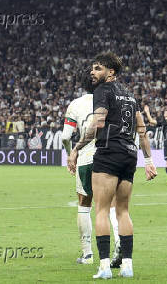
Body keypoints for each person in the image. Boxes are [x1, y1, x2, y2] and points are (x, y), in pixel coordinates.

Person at [68, 52, 157, 279]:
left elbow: (97, 123)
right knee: (123, 211)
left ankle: (105, 267)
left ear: (111, 73)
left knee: (100, 211)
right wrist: (148, 161)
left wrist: (77, 148)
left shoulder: (102, 91)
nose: (92, 72)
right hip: (129, 155)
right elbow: (142, 130)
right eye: (92, 68)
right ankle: (127, 265)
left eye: (98, 68)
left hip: (108, 152)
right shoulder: (129, 96)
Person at [61, 70, 121, 267]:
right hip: (108, 156)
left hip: (85, 158)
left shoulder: (75, 105)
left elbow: (64, 137)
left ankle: (87, 254)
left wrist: (71, 154)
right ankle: (119, 246)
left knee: (84, 204)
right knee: (111, 204)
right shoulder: (112, 99)